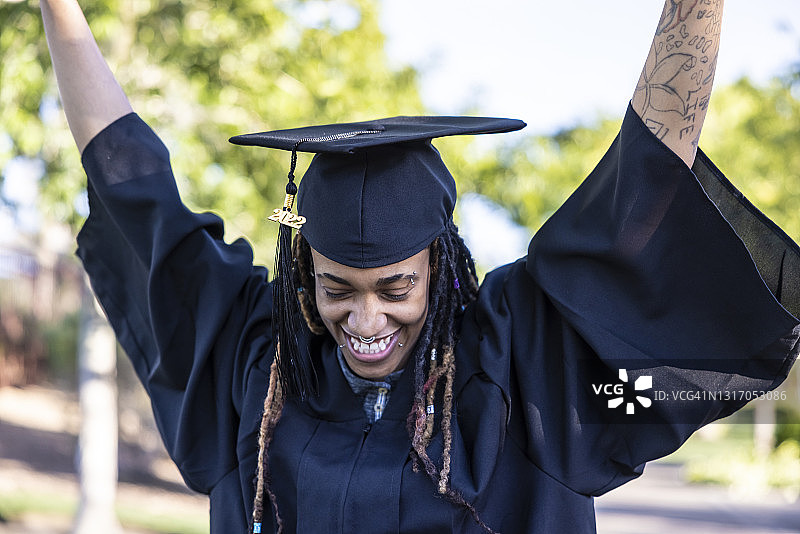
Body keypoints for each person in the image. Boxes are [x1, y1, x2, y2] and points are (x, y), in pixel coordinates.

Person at [41, 0, 800, 533]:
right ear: (303, 270)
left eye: (395, 288)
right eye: (336, 288)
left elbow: (644, 189)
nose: (365, 322)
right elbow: (130, 188)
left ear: (438, 267)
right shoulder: (257, 360)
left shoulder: (520, 365)